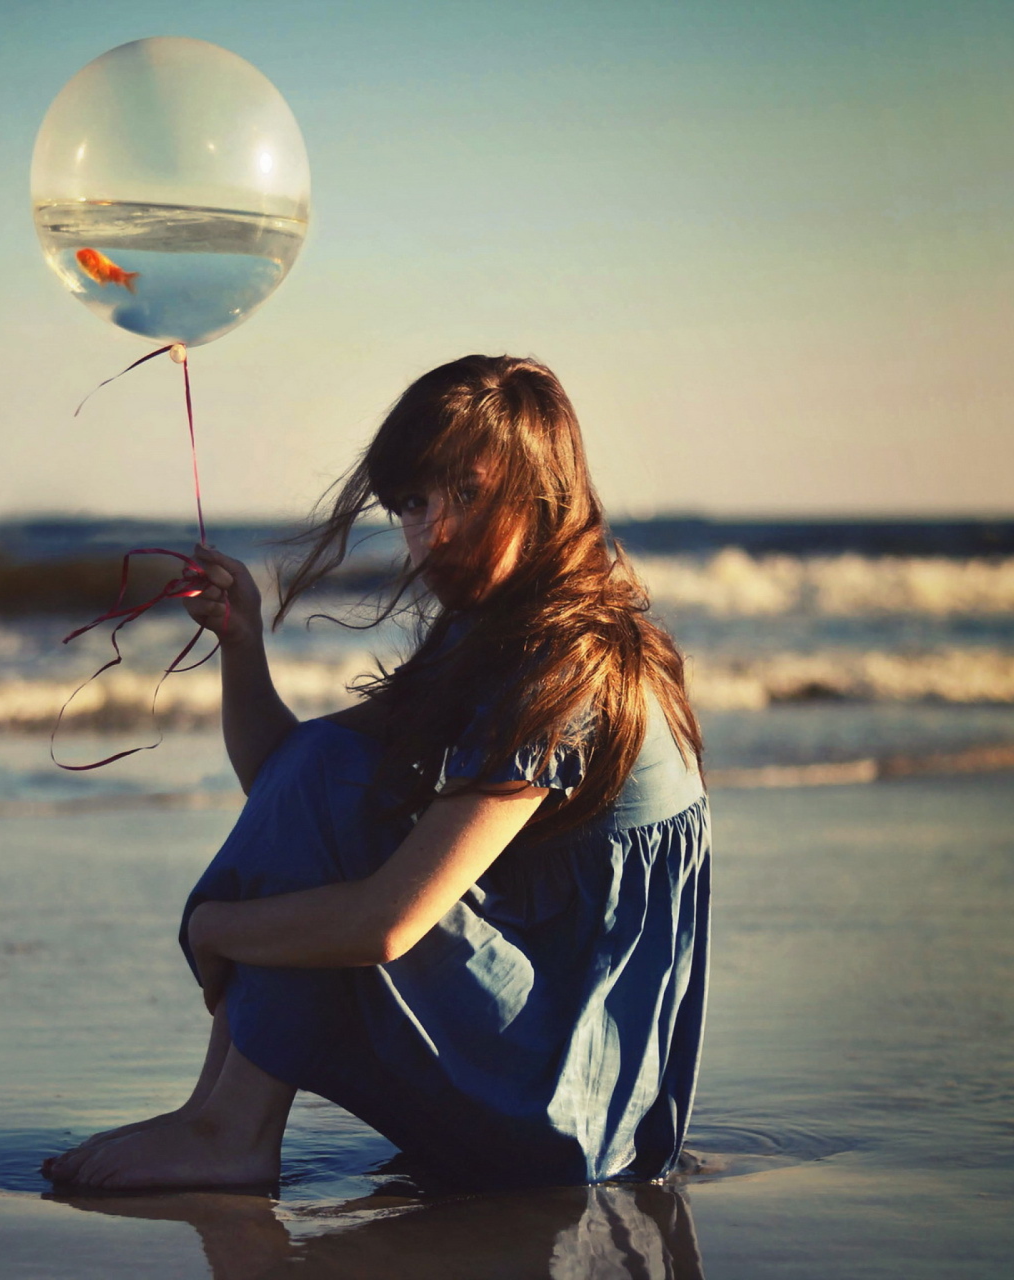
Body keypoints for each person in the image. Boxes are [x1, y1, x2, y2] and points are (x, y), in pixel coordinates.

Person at [43, 355, 710, 1192]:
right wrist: (242, 646)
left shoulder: (568, 664)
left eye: (467, 494)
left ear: (542, 492)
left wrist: (212, 929)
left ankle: (231, 1128)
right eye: (414, 504)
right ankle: (216, 1115)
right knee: (331, 765)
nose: (435, 532)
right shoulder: (491, 630)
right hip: (527, 1061)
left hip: (569, 1112)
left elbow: (387, 924)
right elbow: (293, 783)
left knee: (335, 801)